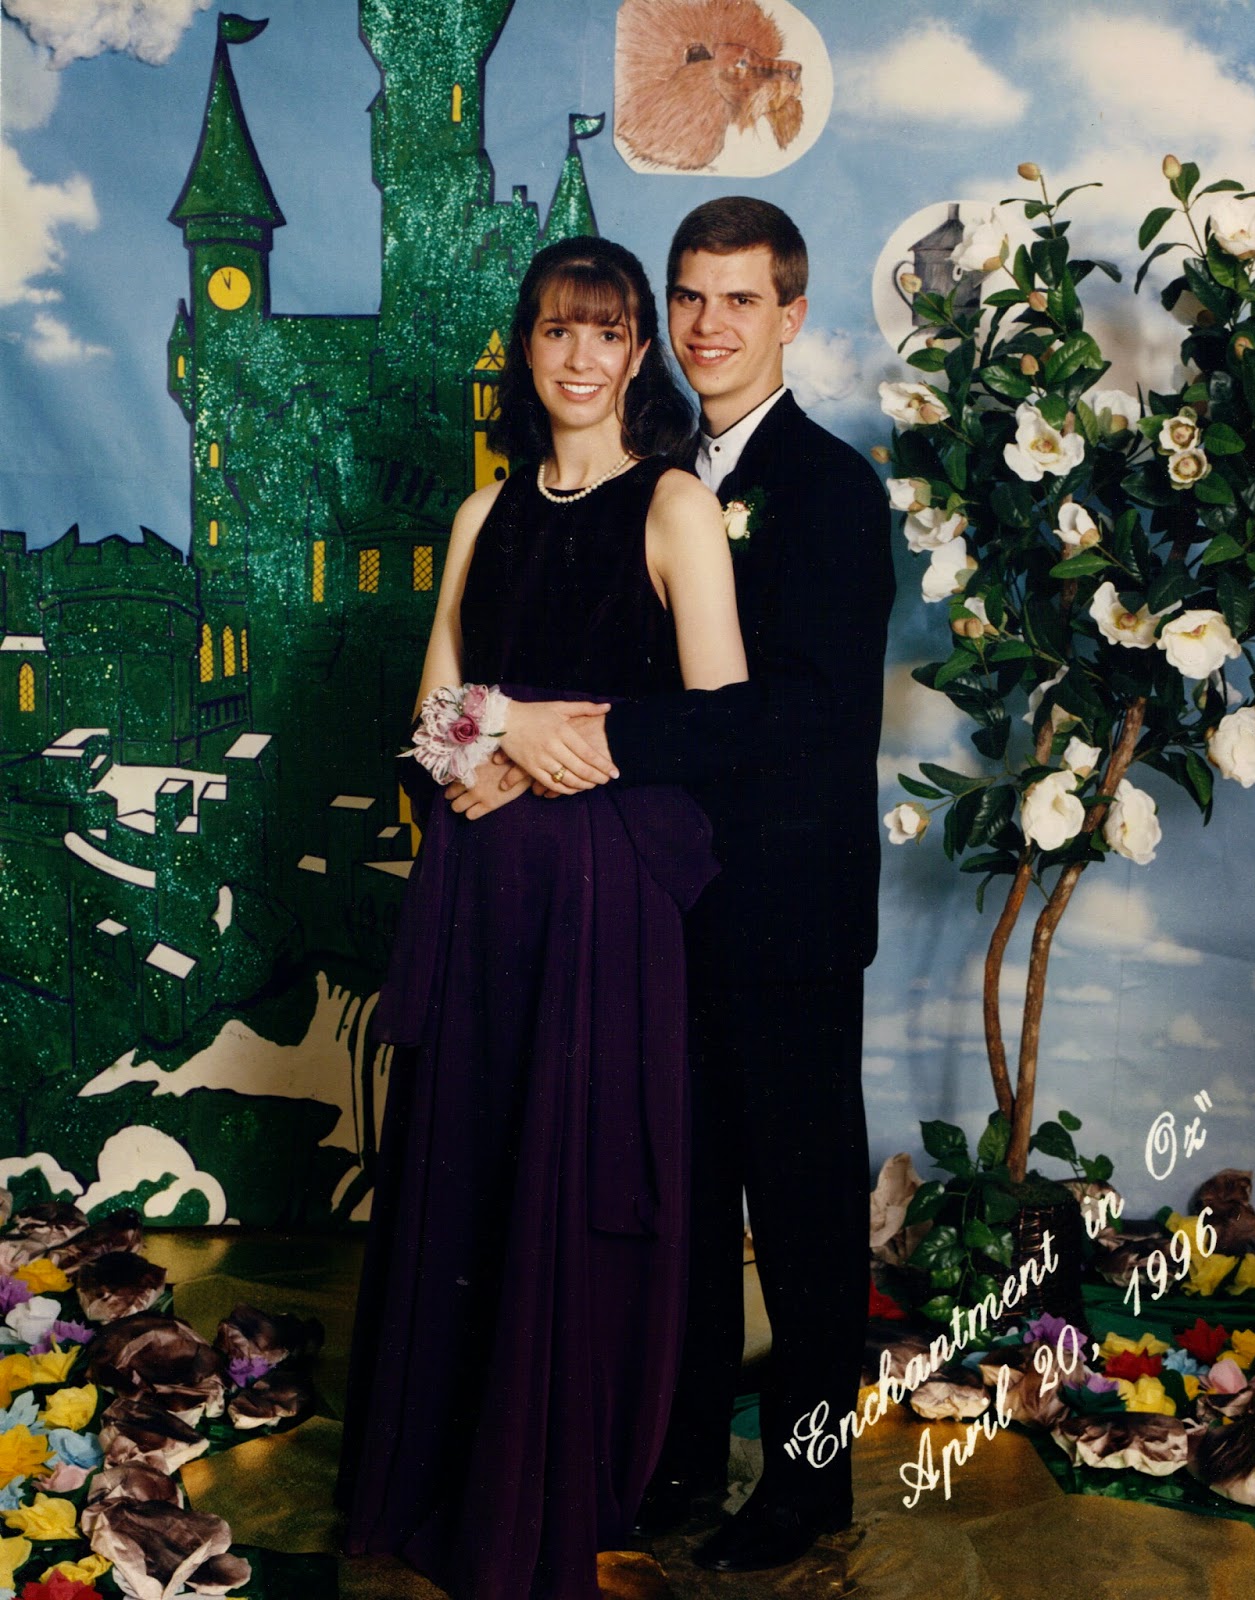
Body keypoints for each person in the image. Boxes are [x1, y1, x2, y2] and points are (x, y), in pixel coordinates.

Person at [337, 235, 747, 1600]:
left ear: (639, 356)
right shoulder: (482, 514)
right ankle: (445, 1478)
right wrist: (503, 732)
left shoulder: (675, 506)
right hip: (481, 885)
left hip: (601, 899)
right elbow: (432, 720)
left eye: (607, 332)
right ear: (526, 348)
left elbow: (722, 726)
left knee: (568, 1178)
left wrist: (568, 739)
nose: (580, 357)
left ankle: (551, 1487)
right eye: (557, 331)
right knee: (470, 1168)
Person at [490, 198, 895, 1572]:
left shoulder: (829, 490)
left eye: (741, 300)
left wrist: (596, 734)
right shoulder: (652, 475)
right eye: (689, 297)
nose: (708, 326)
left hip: (784, 913)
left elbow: (808, 711)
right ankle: (678, 1454)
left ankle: (808, 1484)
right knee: (685, 1197)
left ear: (792, 315)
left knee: (801, 1206)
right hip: (660, 902)